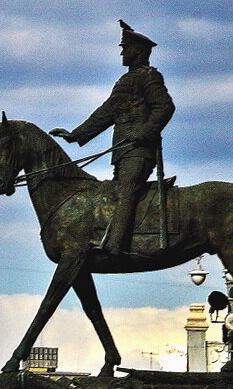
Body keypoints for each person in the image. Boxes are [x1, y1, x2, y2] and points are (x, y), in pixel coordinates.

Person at [49, 20, 174, 258]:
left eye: (125, 48)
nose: (122, 53)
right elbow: (106, 113)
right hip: (124, 151)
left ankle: (114, 246)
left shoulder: (149, 77)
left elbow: (165, 107)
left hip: (139, 150)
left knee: (126, 191)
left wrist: (144, 133)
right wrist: (76, 134)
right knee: (116, 193)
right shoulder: (125, 81)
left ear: (137, 50)